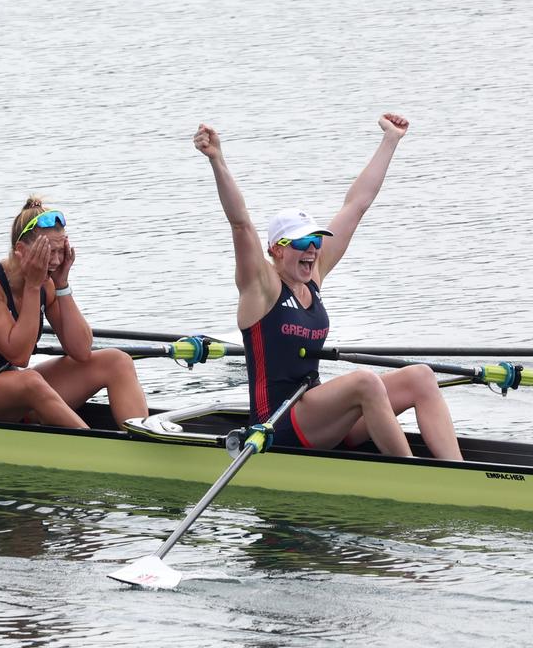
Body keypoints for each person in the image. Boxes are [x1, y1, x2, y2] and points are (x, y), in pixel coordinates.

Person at [195, 114, 462, 460]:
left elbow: (357, 204)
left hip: (317, 415)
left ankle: (459, 469)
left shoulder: (314, 274)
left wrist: (390, 141)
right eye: (302, 241)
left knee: (421, 377)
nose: (312, 249)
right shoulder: (260, 287)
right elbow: (240, 222)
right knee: (365, 382)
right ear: (276, 249)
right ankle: (415, 474)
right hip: (277, 426)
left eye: (317, 241)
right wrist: (217, 159)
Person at [0, 197, 148, 429]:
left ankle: (141, 442)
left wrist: (62, 285)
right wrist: (33, 287)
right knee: (30, 380)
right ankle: (98, 451)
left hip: (13, 389)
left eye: (60, 251)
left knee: (116, 361)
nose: (56, 261)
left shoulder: (47, 283)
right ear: (21, 250)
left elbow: (80, 351)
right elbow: (20, 356)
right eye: (48, 252)